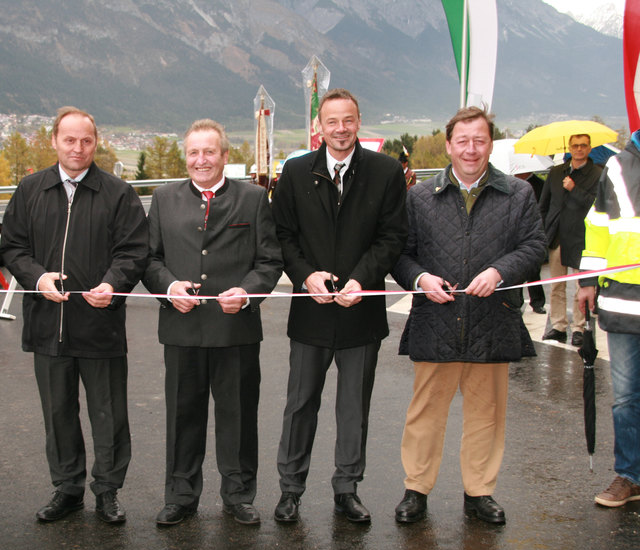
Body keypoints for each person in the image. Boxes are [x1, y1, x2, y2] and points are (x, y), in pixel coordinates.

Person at [391, 106, 546, 525]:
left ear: (490, 144)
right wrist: (421, 278)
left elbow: (535, 247)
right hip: (435, 320)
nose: (471, 149)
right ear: (449, 145)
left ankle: (479, 492)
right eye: (463, 141)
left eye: (479, 140)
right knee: (425, 413)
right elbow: (400, 255)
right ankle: (416, 490)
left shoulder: (518, 194)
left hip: (492, 319)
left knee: (486, 414)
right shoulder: (420, 197)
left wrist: (500, 272)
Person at [0, 106, 149, 524]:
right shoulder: (30, 190)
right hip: (47, 326)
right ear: (54, 141)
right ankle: (66, 489)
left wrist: (112, 283)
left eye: (86, 140)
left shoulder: (118, 193)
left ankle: (107, 492)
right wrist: (36, 276)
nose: (78, 148)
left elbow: (134, 251)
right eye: (70, 139)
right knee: (58, 413)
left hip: (99, 326)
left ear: (95, 142)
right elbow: (11, 245)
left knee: (109, 415)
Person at [270, 88, 407, 524]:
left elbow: (392, 237)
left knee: (354, 408)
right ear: (319, 127)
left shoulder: (386, 172)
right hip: (310, 311)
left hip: (360, 311)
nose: (341, 129)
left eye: (348, 120)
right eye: (332, 121)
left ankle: (346, 488)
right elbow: (283, 236)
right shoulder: (294, 172)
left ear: (358, 121)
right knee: (299, 405)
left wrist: (361, 279)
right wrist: (305, 275)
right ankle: (290, 489)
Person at [143, 119, 283, 526]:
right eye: (193, 152)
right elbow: (149, 259)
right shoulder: (164, 198)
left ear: (225, 156)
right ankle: (181, 495)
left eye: (209, 152)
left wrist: (248, 291)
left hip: (234, 330)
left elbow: (269, 260)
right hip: (182, 329)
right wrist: (168, 288)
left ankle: (238, 495)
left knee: (238, 417)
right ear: (186, 157)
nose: (200, 160)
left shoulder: (254, 198)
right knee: (182, 415)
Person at [578, 129, 640, 508]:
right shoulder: (617, 166)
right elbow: (597, 228)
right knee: (626, 397)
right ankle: (630, 475)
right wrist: (586, 281)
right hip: (623, 304)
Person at [539, 135, 602, 346]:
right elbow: (544, 205)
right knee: (556, 285)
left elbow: (596, 204)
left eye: (583, 145)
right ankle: (558, 326)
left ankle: (579, 328)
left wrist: (574, 189)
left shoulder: (597, 174)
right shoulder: (557, 172)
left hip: (581, 238)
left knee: (579, 287)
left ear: (589, 148)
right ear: (569, 148)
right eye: (575, 146)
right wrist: (543, 230)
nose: (579, 149)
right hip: (557, 236)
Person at [515, 171, 547, 314]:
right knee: (514, 271)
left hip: (531, 231)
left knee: (533, 271)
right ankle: (517, 301)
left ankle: (538, 301)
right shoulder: (508, 184)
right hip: (513, 232)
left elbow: (544, 208)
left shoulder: (540, 185)